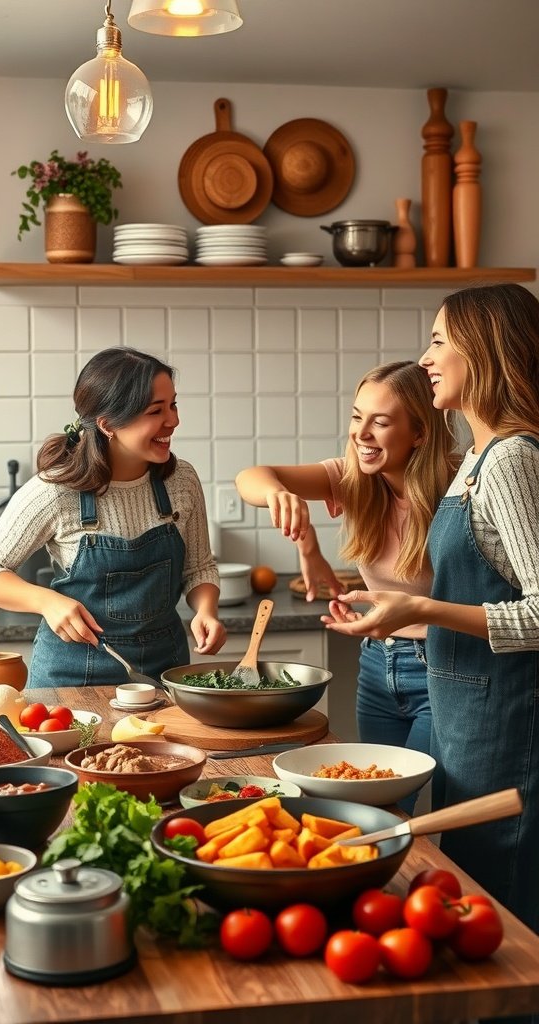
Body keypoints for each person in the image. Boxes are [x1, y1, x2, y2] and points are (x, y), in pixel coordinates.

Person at [323, 284, 539, 945]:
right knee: (469, 907)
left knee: (503, 923)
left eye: (440, 341)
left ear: (487, 351)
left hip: (505, 726)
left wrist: (421, 609)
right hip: (464, 717)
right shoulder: (476, 459)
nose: (425, 358)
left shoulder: (512, 459)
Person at [235, 361, 458, 806]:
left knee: (403, 797)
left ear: (420, 433)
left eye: (381, 421)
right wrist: (288, 508)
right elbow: (252, 477)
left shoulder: (457, 485)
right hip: (378, 665)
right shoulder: (353, 478)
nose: (362, 433)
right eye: (358, 417)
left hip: (444, 667)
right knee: (370, 802)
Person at [0, 347, 226, 687]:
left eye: (173, 405)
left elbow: (199, 567)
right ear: (108, 425)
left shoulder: (181, 482)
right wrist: (47, 602)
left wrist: (206, 609)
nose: (173, 420)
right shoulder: (57, 490)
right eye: (155, 410)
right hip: (69, 679)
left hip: (163, 673)